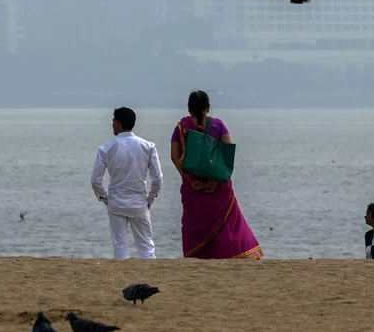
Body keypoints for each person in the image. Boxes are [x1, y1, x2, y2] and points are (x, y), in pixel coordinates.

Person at [170, 90, 262, 260]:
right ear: (209, 108)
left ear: (189, 109)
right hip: (218, 188)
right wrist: (215, 179)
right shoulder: (219, 125)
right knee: (226, 226)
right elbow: (228, 154)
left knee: (194, 226)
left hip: (193, 190)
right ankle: (227, 256)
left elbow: (175, 157)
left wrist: (192, 181)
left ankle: (197, 258)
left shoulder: (181, 129)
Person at [91, 107, 163, 259]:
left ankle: (123, 278)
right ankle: (150, 278)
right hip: (139, 202)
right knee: (146, 247)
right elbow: (157, 179)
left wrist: (104, 198)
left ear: (117, 123)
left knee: (120, 246)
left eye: (113, 121)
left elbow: (95, 180)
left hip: (116, 202)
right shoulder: (148, 146)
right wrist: (150, 199)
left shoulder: (105, 149)